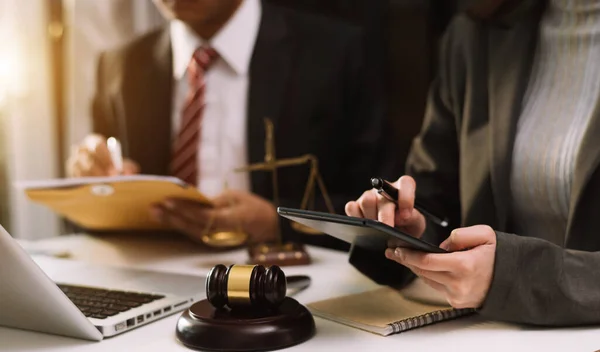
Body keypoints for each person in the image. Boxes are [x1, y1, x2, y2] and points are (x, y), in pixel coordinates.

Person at [347, 0, 600, 352]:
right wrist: (409, 224)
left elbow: (506, 270)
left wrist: (514, 275)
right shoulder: (476, 33)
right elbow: (438, 196)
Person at [67, 0, 385, 249]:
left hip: (293, 279)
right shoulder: (120, 66)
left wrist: (279, 222)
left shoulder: (335, 53)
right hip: (155, 278)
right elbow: (102, 211)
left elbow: (378, 203)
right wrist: (90, 185)